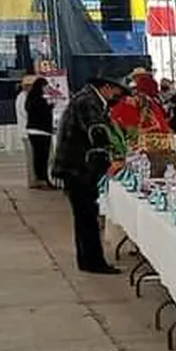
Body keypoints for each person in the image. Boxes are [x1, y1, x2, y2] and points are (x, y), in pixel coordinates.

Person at [52, 76, 127, 274]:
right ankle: (94, 262)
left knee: (84, 216)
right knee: (87, 216)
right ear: (107, 87)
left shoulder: (86, 99)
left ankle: (87, 259)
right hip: (78, 167)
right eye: (117, 91)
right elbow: (97, 132)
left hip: (77, 166)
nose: (118, 96)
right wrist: (112, 157)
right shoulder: (88, 102)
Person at [24, 76, 54, 190]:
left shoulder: (31, 98)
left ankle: (42, 179)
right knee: (42, 157)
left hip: (37, 131)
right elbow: (42, 113)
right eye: (46, 86)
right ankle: (43, 179)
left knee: (40, 157)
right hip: (40, 131)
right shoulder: (38, 100)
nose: (47, 89)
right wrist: (50, 106)